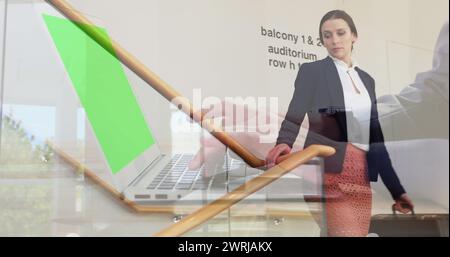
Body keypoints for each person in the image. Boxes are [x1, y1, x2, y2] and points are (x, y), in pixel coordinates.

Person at [265, 10, 413, 237]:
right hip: (329, 167)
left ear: (354, 36)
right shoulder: (313, 71)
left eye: (340, 33)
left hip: (362, 174)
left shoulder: (367, 80)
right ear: (322, 40)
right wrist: (283, 142)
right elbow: (296, 111)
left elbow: (377, 139)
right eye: (327, 35)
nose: (334, 40)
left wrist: (397, 190)